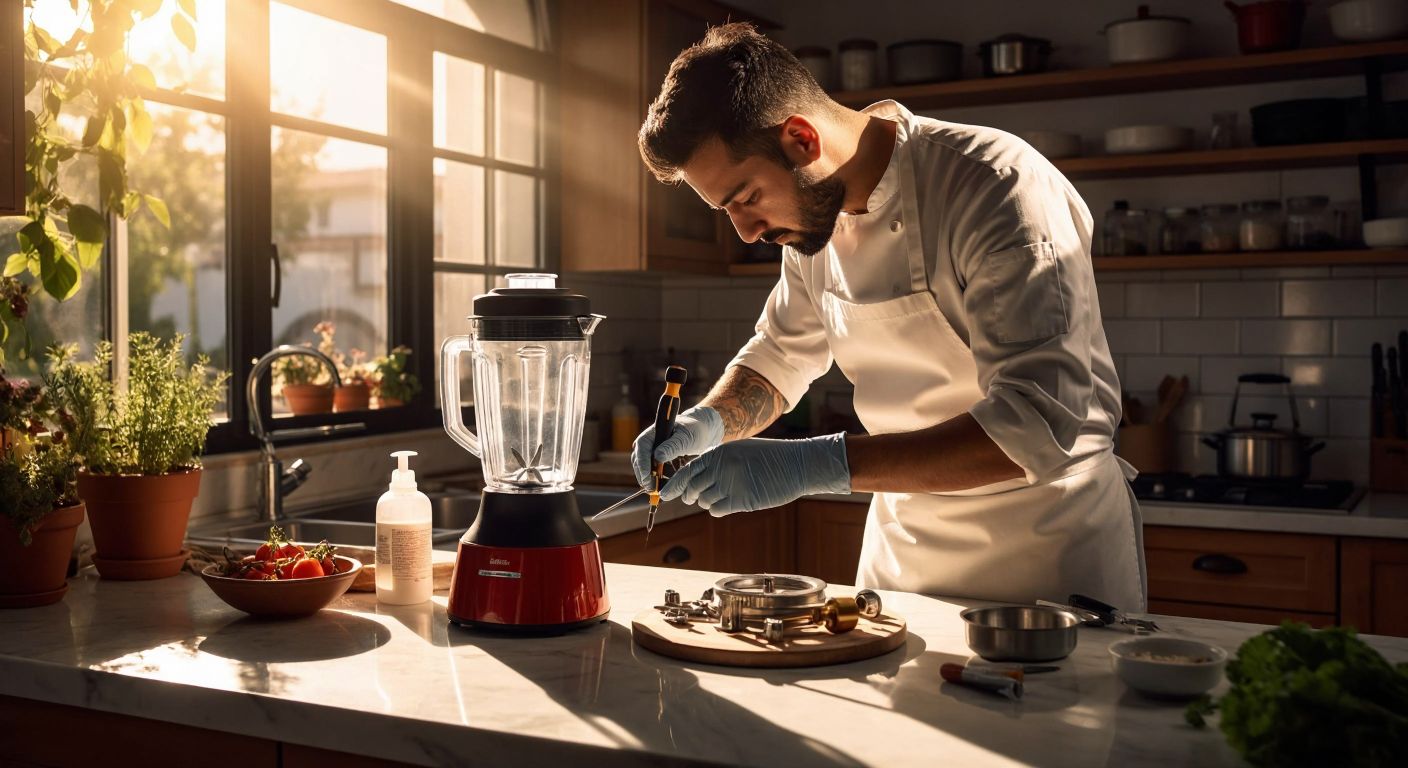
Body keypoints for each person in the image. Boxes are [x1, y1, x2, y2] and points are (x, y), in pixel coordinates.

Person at [632, 23, 1145, 608]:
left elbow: (1036, 427)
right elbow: (781, 355)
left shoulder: (995, 186)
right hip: (905, 554)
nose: (746, 231)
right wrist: (708, 424)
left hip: (1047, 560)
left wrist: (811, 464)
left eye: (746, 197)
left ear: (801, 138)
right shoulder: (813, 222)